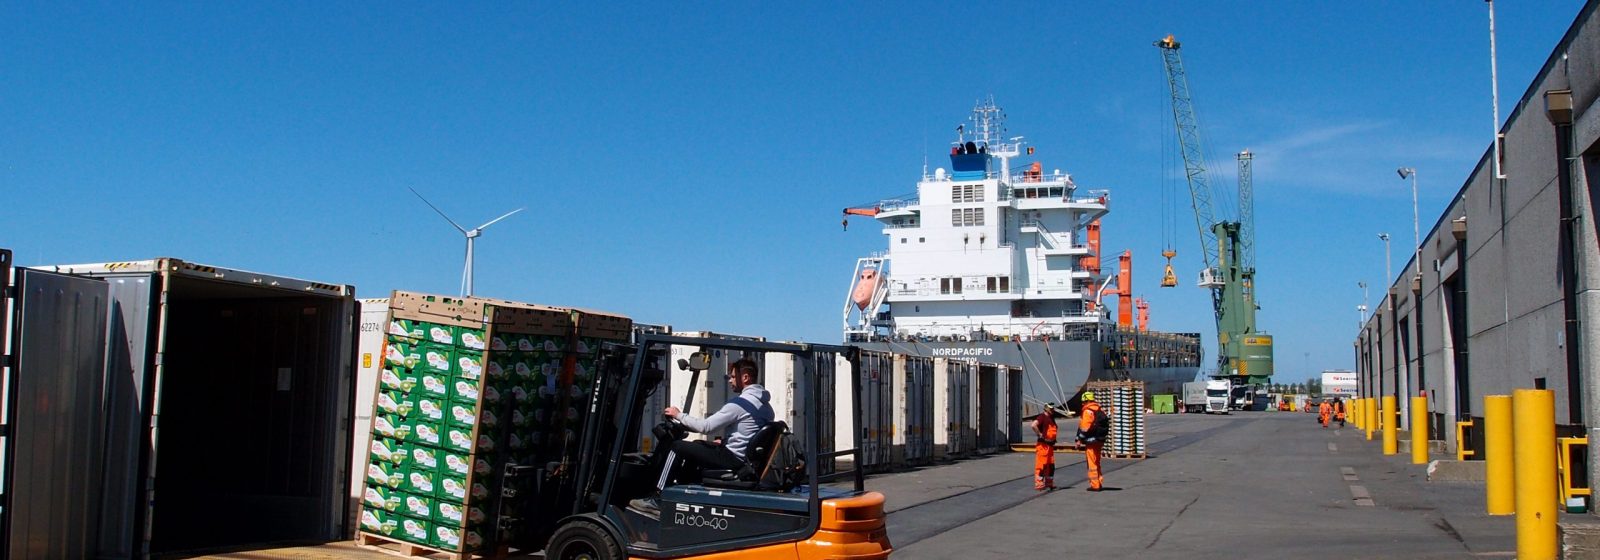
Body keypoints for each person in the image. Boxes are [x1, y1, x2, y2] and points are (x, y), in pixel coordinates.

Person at [633, 357, 772, 515]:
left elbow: (706, 427)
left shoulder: (740, 404)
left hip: (733, 458)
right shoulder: (765, 405)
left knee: (677, 447)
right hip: (742, 457)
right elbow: (749, 432)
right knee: (698, 445)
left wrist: (678, 415)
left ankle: (657, 497)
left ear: (745, 377)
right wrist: (725, 441)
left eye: (733, 377)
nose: (730, 381)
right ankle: (684, 491)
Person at [1076, 392, 1106, 492]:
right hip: (1100, 440)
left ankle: (1095, 485)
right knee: (1097, 462)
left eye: (1083, 402)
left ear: (1087, 401)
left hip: (1091, 441)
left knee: (1091, 463)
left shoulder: (1087, 411)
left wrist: (1079, 440)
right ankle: (1099, 481)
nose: (1082, 404)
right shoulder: (1099, 409)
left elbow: (1084, 428)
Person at [1032, 403, 1062, 491]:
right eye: (1051, 409)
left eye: (1053, 409)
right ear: (1046, 409)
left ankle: (1049, 483)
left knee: (1050, 465)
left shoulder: (1051, 418)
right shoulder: (1042, 417)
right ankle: (1039, 484)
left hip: (1050, 445)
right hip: (1043, 446)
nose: (1053, 410)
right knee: (1042, 465)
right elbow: (1033, 425)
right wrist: (1040, 434)